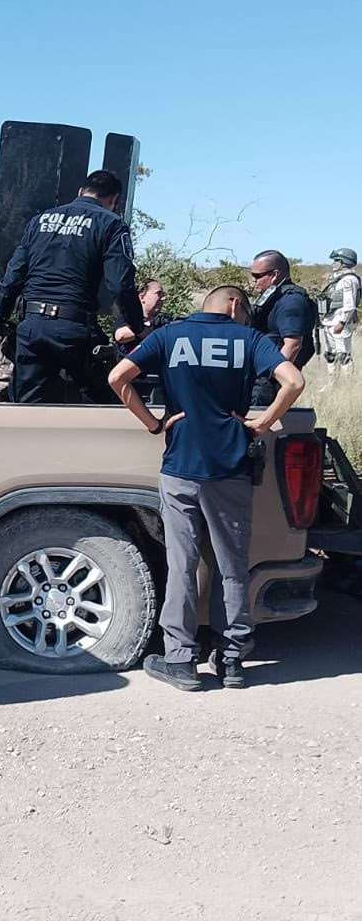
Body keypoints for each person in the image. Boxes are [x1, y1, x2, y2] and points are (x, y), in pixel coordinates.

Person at [107, 285, 306, 692]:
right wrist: (264, 422)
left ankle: (180, 660)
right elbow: (293, 381)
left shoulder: (168, 336)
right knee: (231, 563)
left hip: (181, 467)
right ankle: (232, 658)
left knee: (181, 564)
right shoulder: (248, 339)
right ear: (234, 305)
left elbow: (118, 376)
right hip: (230, 467)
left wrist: (153, 423)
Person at [0, 170, 144, 403]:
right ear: (113, 201)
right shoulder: (111, 223)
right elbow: (120, 285)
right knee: (107, 402)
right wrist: (137, 326)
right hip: (74, 330)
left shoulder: (40, 220)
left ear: (80, 192)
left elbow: (13, 276)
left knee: (26, 411)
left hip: (32, 328)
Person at [248, 250, 317, 405]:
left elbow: (293, 345)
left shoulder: (291, 301)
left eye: (258, 276)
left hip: (269, 380)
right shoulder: (272, 297)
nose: (254, 281)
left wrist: (271, 379)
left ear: (275, 275)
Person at [318, 247, 359, 377]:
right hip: (329, 321)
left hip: (341, 322)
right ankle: (332, 383)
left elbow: (349, 305)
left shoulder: (349, 280)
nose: (333, 263)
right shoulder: (336, 278)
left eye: (336, 260)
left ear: (344, 262)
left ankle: (348, 385)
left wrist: (341, 323)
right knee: (330, 354)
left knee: (343, 355)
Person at [114, 278, 171, 346]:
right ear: (142, 297)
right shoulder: (128, 317)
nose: (163, 298)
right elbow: (121, 336)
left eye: (163, 294)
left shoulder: (163, 321)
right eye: (158, 294)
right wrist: (148, 330)